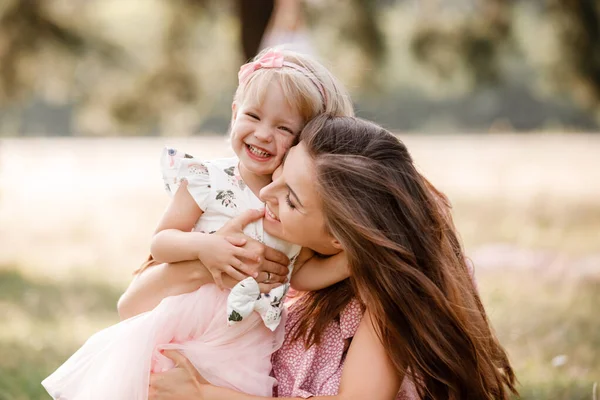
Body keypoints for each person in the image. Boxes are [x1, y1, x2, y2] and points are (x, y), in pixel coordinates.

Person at [126, 115, 518, 399]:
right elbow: (129, 306)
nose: (266, 194)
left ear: (338, 239)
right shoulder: (282, 248)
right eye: (280, 171)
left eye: (291, 199)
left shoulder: (385, 295)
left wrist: (203, 395)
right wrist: (207, 262)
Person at [41, 48, 354, 400]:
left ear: (303, 142)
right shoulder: (208, 178)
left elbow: (298, 274)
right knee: (157, 385)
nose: (264, 134)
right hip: (184, 320)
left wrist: (350, 261)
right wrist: (207, 248)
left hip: (244, 341)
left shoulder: (294, 206)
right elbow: (162, 242)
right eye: (253, 116)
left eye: (283, 127)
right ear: (235, 113)